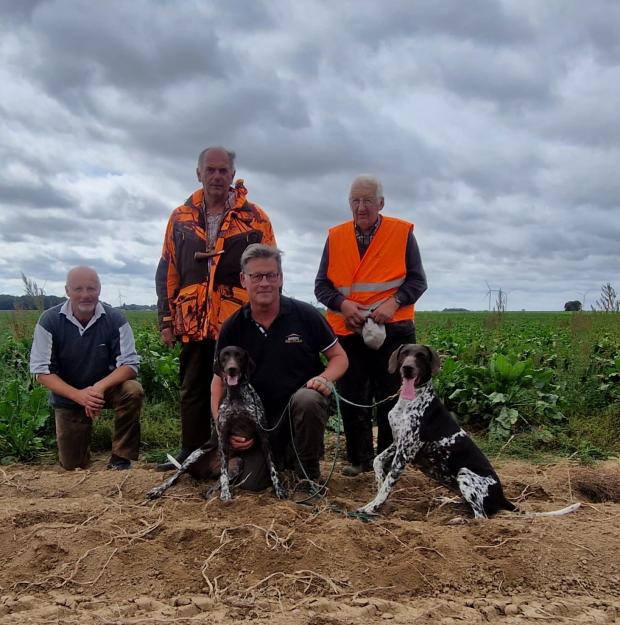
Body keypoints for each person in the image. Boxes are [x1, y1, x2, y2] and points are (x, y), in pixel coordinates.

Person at [155, 147, 276, 470]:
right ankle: (191, 453)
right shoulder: (179, 217)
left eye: (224, 170)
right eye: (211, 170)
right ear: (199, 173)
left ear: (232, 175)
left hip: (236, 318)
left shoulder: (255, 216)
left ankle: (241, 449)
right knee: (193, 386)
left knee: (240, 386)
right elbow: (168, 267)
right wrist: (166, 318)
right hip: (192, 317)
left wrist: (268, 313)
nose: (217, 176)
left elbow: (269, 266)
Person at [314, 174, 427, 477]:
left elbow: (418, 281)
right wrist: (343, 305)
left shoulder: (401, 233)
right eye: (355, 200)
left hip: (394, 329)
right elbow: (321, 286)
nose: (360, 207)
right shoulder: (335, 236)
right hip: (347, 330)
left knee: (392, 396)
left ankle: (389, 461)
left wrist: (394, 302)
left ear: (381, 203)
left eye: (367, 200)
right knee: (352, 397)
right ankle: (358, 460)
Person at [211, 244, 348, 489]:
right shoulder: (233, 326)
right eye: (256, 276)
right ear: (244, 280)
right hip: (257, 421)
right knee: (249, 484)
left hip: (298, 414)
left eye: (271, 275)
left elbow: (339, 358)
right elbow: (218, 380)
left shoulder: (306, 315)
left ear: (280, 278)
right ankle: (278, 457)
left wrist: (325, 378)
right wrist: (225, 429)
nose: (264, 283)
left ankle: (308, 474)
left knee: (308, 398)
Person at [29, 266, 143, 470]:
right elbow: (41, 371)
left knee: (132, 390)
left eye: (91, 288)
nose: (85, 295)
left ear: (99, 289)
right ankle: (82, 453)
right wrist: (79, 396)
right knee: (73, 466)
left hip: (105, 390)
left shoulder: (116, 319)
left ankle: (121, 458)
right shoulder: (49, 321)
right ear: (67, 291)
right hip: (69, 395)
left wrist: (98, 388)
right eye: (78, 289)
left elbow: (130, 364)